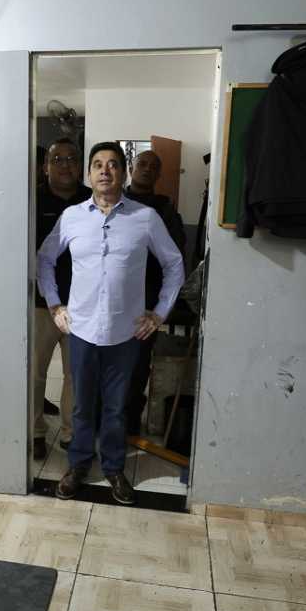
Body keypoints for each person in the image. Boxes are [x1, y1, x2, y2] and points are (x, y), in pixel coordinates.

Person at [38, 142, 184, 504]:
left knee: (117, 407)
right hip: (82, 330)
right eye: (98, 164)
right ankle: (78, 465)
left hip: (126, 333)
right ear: (90, 174)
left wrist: (159, 313)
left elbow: (174, 264)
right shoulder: (72, 217)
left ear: (124, 172)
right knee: (82, 405)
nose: (105, 170)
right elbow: (45, 259)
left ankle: (115, 468)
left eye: (113, 164)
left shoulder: (145, 218)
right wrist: (54, 304)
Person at [32, 138, 91, 460]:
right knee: (35, 372)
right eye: (57, 159)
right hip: (40, 305)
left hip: (82, 306)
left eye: (71, 159)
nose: (65, 164)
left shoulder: (92, 200)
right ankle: (35, 432)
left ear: (79, 166)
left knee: (76, 375)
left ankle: (71, 433)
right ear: (46, 167)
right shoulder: (31, 200)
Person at [121, 150, 186, 437]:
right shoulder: (115, 201)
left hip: (146, 298)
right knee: (106, 359)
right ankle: (104, 416)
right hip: (113, 296)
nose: (146, 169)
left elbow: (174, 258)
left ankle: (129, 420)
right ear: (131, 167)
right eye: (142, 164)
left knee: (137, 362)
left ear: (159, 174)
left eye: (153, 167)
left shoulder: (165, 210)